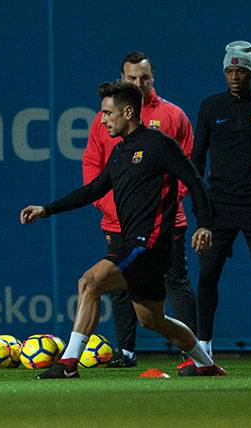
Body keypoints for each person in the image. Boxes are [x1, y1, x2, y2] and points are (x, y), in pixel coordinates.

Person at [20, 80, 226, 379]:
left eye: (107, 113)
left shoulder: (159, 144)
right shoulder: (119, 153)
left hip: (150, 244)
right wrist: (47, 209)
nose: (102, 119)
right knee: (152, 319)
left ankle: (68, 364)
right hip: (135, 243)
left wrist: (204, 224)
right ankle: (205, 363)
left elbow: (195, 182)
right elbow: (93, 191)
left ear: (127, 112)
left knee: (89, 282)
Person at [82, 52, 197, 368]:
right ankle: (127, 352)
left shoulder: (172, 117)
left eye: (144, 78)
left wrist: (159, 205)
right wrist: (116, 207)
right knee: (128, 298)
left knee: (175, 283)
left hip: (162, 221)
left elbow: (188, 168)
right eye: (132, 78)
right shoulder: (107, 120)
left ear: (153, 77)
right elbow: (94, 170)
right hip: (118, 221)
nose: (139, 83)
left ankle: (195, 355)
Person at [192, 40, 251, 357]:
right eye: (230, 70)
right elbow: (196, 162)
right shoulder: (211, 107)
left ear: (250, 74)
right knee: (207, 275)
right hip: (219, 206)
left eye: (240, 71)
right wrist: (202, 215)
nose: (234, 77)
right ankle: (203, 347)